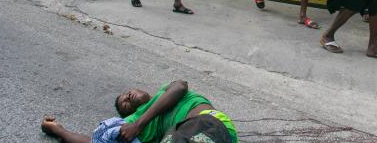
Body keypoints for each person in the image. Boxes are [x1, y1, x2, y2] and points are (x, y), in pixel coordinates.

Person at [40, 80, 238, 143]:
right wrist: (58, 130)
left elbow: (180, 86)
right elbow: (94, 141)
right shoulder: (131, 122)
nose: (128, 97)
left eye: (127, 93)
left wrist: (139, 124)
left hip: (208, 124)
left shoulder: (164, 93)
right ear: (127, 115)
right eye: (124, 103)